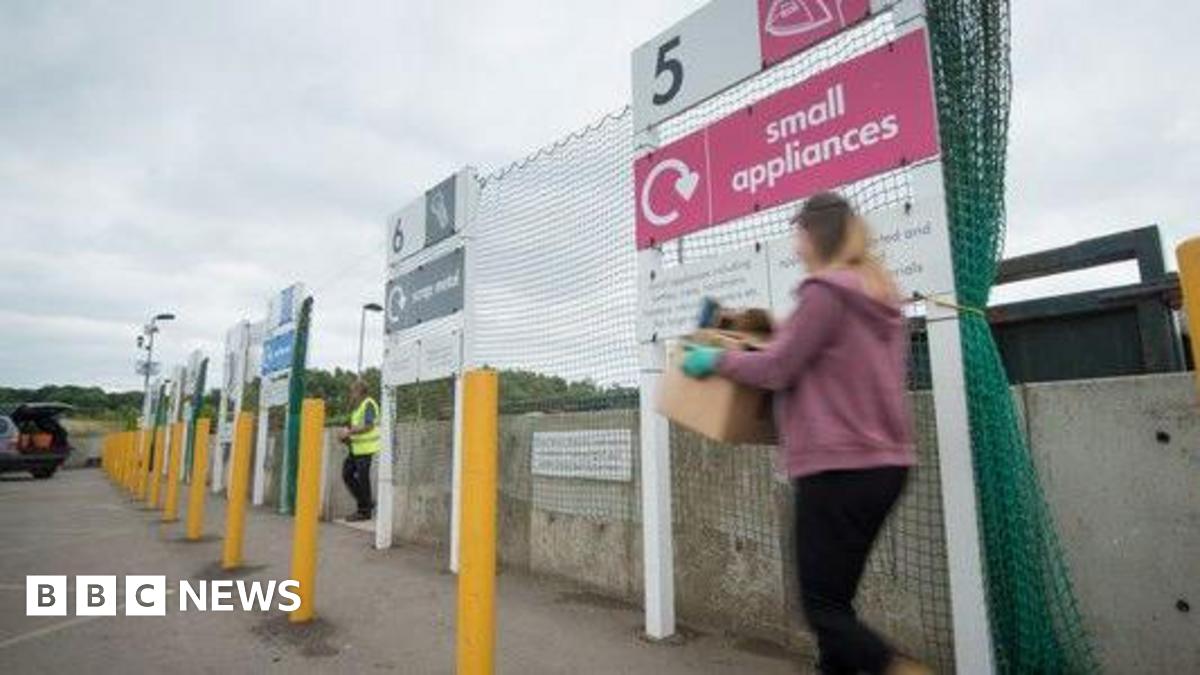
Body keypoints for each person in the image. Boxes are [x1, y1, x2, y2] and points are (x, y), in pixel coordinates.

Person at [681, 192, 927, 675]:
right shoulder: (878, 294)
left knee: (821, 609)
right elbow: (826, 365)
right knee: (837, 602)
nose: (795, 247)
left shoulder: (825, 293)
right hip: (887, 467)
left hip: (838, 468)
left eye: (797, 235)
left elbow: (777, 368)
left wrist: (717, 359)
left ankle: (898, 669)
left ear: (814, 234)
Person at [338, 379, 380, 522]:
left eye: (352, 391)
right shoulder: (358, 407)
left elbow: (368, 426)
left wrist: (349, 432)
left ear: (359, 391)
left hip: (365, 449)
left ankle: (364, 511)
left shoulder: (368, 404)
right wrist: (344, 434)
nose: (351, 394)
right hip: (355, 448)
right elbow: (350, 425)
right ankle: (368, 503)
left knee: (363, 479)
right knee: (347, 474)